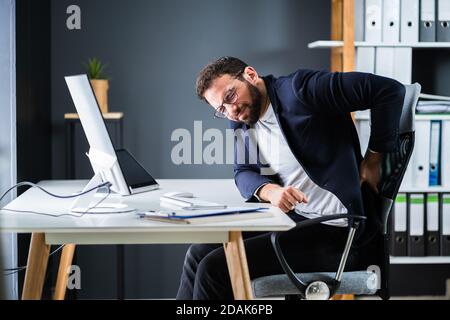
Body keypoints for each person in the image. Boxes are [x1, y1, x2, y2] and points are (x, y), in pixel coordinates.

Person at [176, 56, 406, 300]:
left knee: (215, 269)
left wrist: (374, 158)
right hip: (294, 221)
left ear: (251, 75)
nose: (231, 110)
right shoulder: (242, 119)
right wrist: (270, 190)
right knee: (198, 253)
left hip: (337, 231)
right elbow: (243, 172)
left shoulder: (302, 90)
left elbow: (389, 90)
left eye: (231, 96)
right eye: (221, 109)